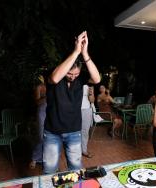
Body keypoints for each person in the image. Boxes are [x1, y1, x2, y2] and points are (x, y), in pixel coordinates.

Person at [43, 31, 101, 174]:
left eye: (76, 74)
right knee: (49, 170)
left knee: (75, 169)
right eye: (69, 74)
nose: (73, 77)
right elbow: (56, 78)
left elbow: (97, 79)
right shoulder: (54, 74)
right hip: (52, 131)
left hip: (74, 130)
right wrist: (76, 51)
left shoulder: (79, 79)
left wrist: (85, 53)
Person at [29, 75, 47, 169]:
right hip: (42, 112)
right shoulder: (39, 87)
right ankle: (35, 158)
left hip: (52, 112)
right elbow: (37, 102)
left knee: (51, 137)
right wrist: (47, 97)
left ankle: (46, 158)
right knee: (40, 136)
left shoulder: (54, 86)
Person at [81, 84, 94, 158]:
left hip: (86, 109)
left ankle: (84, 150)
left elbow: (92, 100)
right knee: (74, 131)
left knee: (85, 131)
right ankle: (75, 150)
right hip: (75, 109)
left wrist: (90, 93)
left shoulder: (90, 86)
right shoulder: (74, 81)